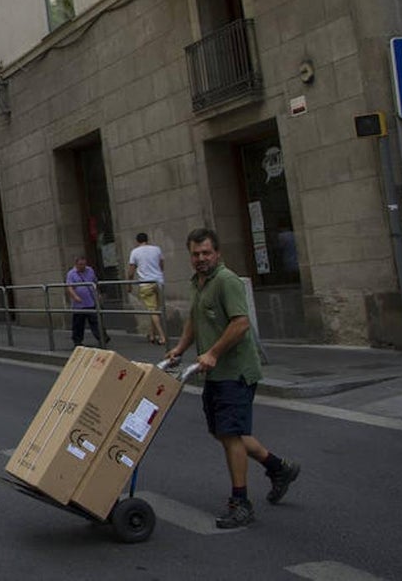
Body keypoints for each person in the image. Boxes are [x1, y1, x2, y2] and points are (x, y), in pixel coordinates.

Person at [165, 227, 300, 529]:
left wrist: (212, 353)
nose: (201, 258)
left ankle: (241, 503)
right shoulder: (198, 282)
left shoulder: (227, 281)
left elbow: (240, 324)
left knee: (230, 435)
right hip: (215, 373)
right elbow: (194, 319)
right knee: (223, 432)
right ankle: (279, 468)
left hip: (235, 371)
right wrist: (180, 349)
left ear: (217, 253)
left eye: (206, 253)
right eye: (196, 254)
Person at [127, 232, 167, 345]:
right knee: (155, 310)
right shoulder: (156, 249)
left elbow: (131, 271)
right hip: (159, 282)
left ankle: (162, 336)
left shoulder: (135, 252)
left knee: (152, 310)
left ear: (137, 241)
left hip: (146, 283)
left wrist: (129, 285)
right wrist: (158, 273)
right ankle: (152, 334)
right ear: (147, 239)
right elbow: (161, 264)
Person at [65, 256, 106, 347]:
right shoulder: (71, 274)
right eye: (80, 265)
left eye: (84, 264)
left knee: (95, 321)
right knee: (78, 324)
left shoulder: (90, 270)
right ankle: (77, 341)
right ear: (76, 264)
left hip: (91, 301)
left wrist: (98, 294)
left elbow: (95, 282)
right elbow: (69, 287)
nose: (82, 266)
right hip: (79, 305)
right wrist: (75, 297)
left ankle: (102, 338)